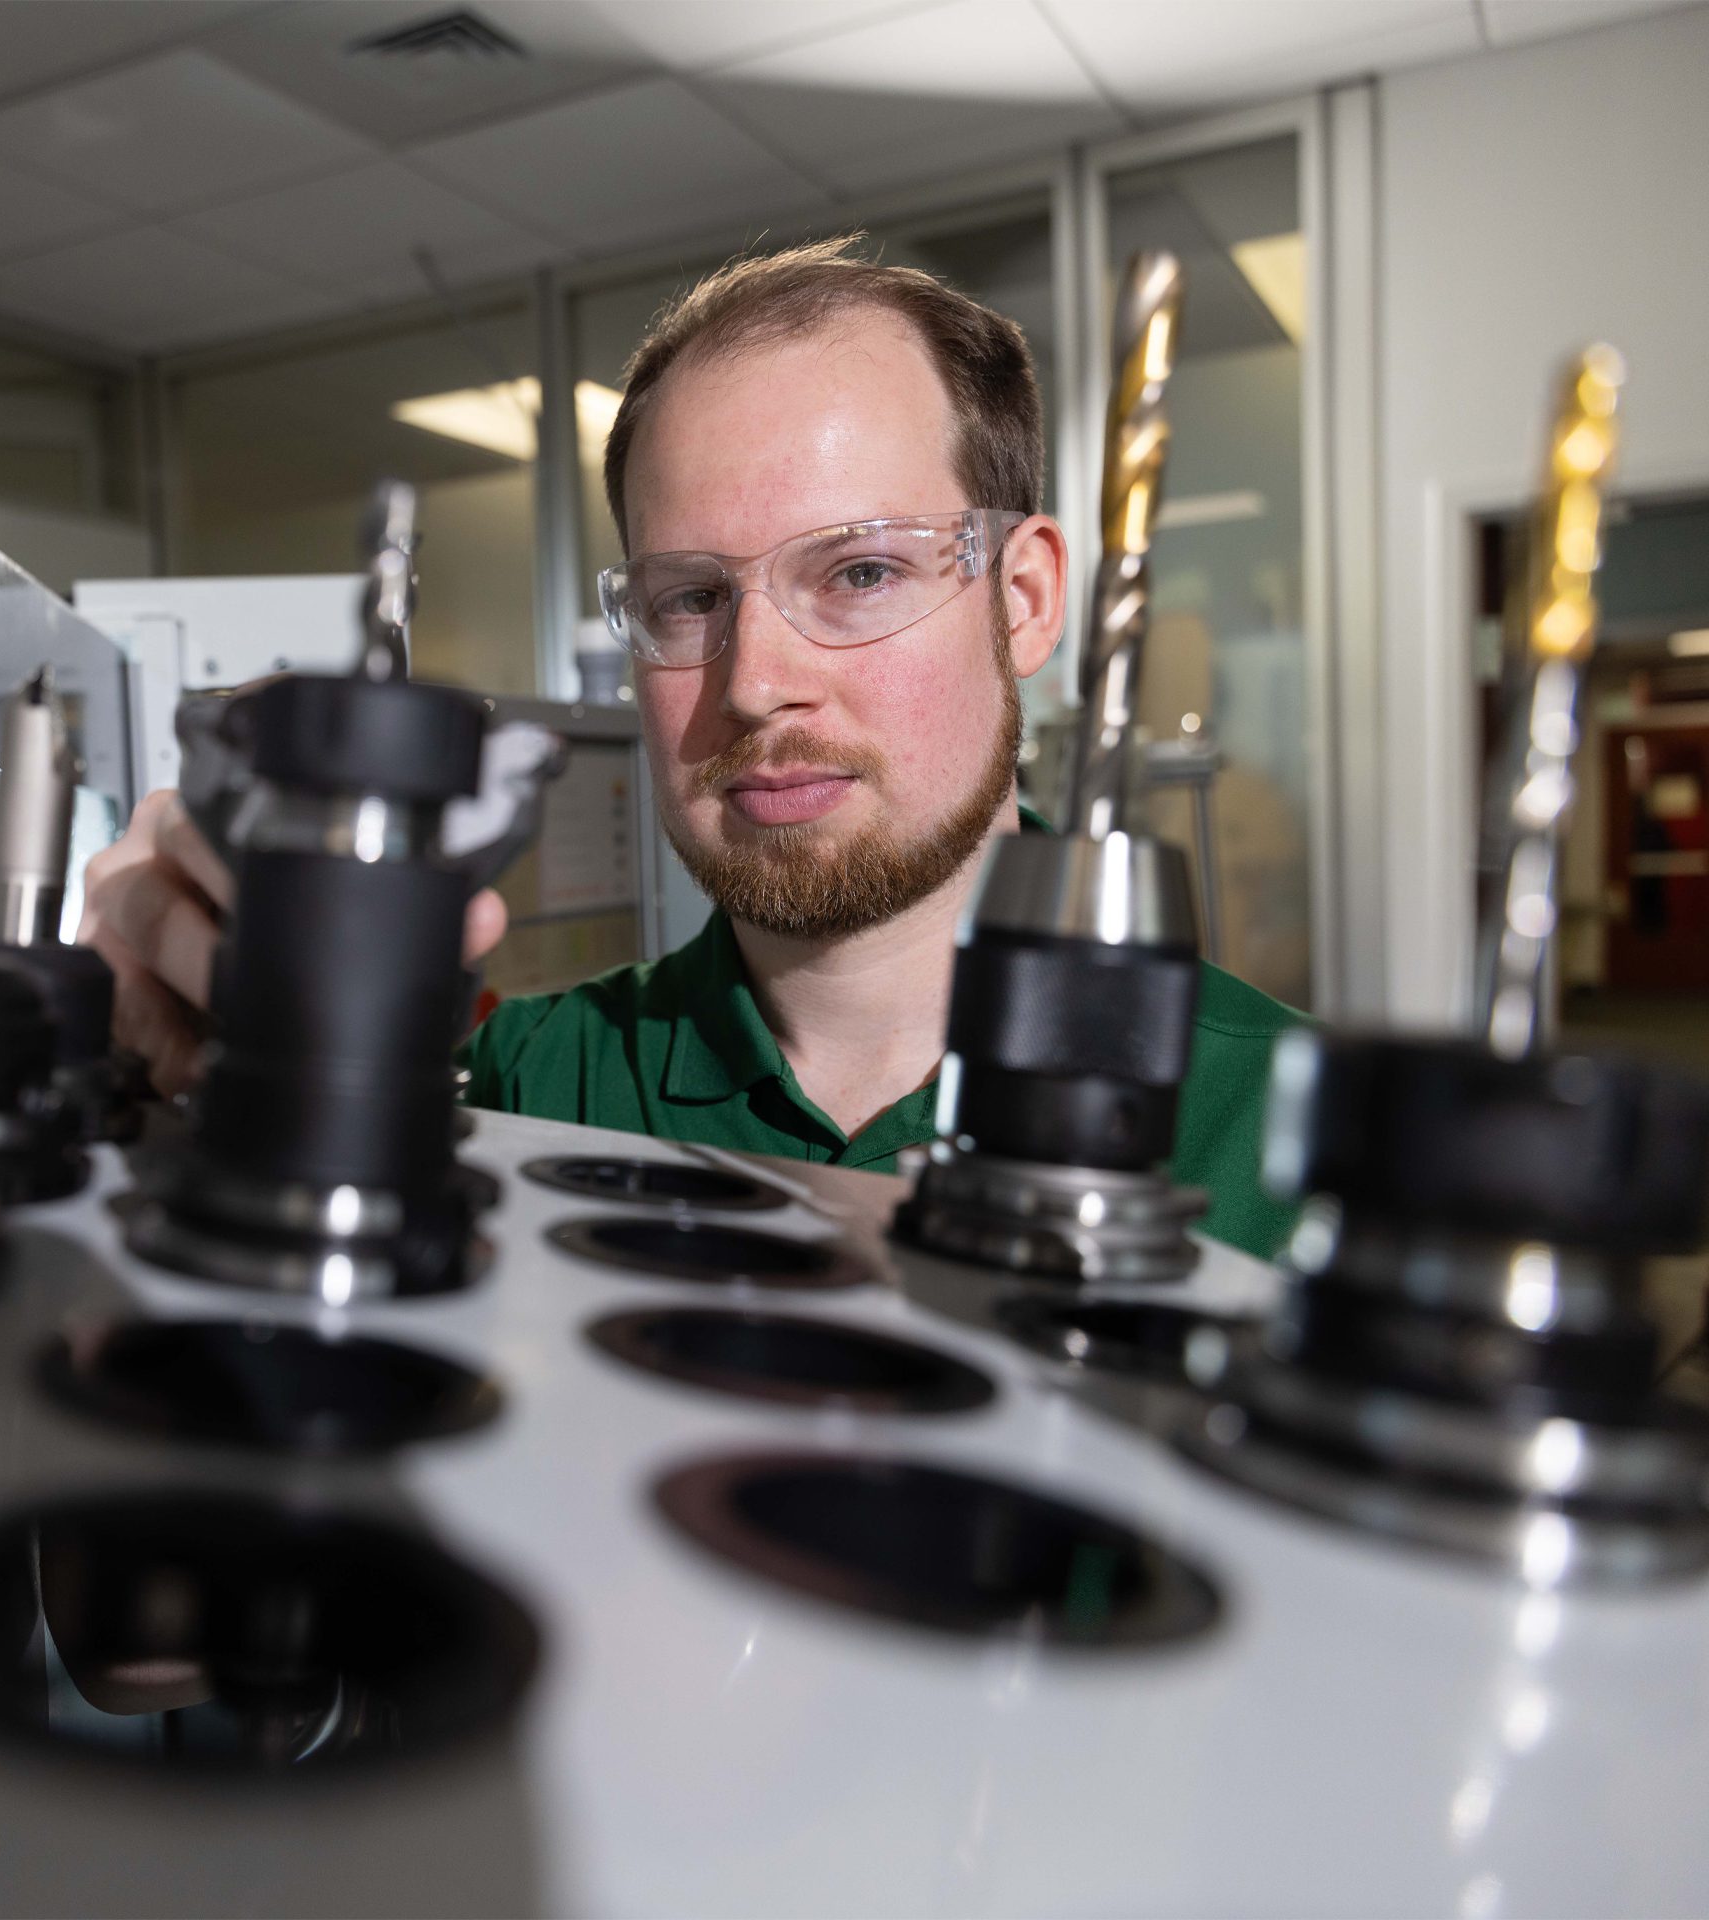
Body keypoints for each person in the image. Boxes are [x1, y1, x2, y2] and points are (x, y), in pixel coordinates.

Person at [80, 236, 1298, 1258]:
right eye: (690, 600)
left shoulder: (1283, 1137)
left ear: (1023, 599)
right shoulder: (507, 1091)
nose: (757, 685)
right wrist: (165, 1085)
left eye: (860, 572)